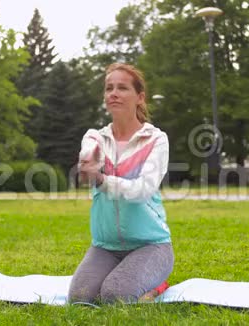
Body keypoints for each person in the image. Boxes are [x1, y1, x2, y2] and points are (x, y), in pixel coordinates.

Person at [68, 63, 173, 304]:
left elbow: (141, 190)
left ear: (140, 97)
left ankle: (160, 284)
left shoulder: (155, 140)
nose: (113, 93)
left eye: (122, 88)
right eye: (109, 88)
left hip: (151, 245)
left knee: (115, 295)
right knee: (80, 298)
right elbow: (88, 151)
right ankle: (126, 276)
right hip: (105, 246)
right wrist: (89, 161)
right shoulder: (95, 137)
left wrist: (102, 179)